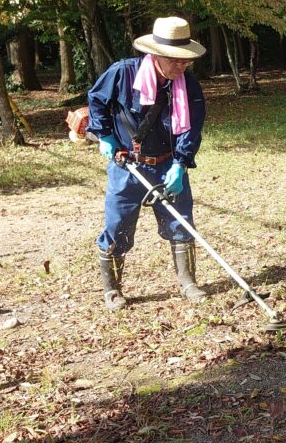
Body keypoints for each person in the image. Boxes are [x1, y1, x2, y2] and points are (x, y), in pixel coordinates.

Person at [86, 16, 208, 311]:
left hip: (167, 163)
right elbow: (97, 100)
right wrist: (104, 135)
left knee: (181, 222)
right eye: (174, 60)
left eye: (185, 61)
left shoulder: (187, 85)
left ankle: (188, 282)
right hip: (127, 165)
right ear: (155, 55)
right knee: (118, 226)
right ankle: (112, 289)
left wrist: (181, 162)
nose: (180, 67)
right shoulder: (123, 73)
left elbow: (192, 126)